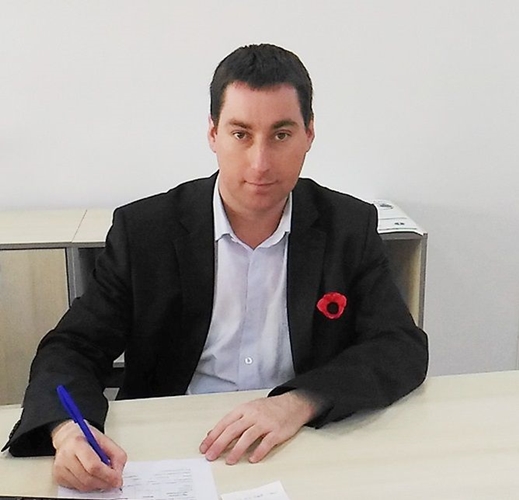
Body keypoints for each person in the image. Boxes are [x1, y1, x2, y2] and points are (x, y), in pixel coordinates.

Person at [3, 43, 428, 492]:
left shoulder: (348, 226)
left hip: (297, 444)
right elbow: (72, 347)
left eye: (281, 135)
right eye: (241, 134)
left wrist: (298, 402)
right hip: (173, 449)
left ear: (309, 134)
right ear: (213, 133)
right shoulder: (146, 231)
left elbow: (399, 345)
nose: (260, 163)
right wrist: (68, 431)